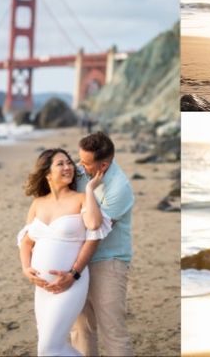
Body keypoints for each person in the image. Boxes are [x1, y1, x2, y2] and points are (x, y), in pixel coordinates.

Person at [18, 148, 111, 356]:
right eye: (60, 164)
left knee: (48, 348)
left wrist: (89, 190)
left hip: (71, 284)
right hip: (42, 289)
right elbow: (26, 242)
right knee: (51, 345)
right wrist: (26, 268)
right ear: (47, 173)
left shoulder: (80, 199)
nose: (68, 167)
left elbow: (94, 229)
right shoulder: (38, 203)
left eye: (69, 162)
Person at [71, 132, 135, 356]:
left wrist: (74, 271)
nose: (79, 166)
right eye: (79, 159)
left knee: (113, 330)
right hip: (78, 258)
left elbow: (95, 234)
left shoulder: (119, 188)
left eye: (85, 162)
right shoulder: (80, 171)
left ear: (103, 165)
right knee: (81, 328)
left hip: (109, 260)